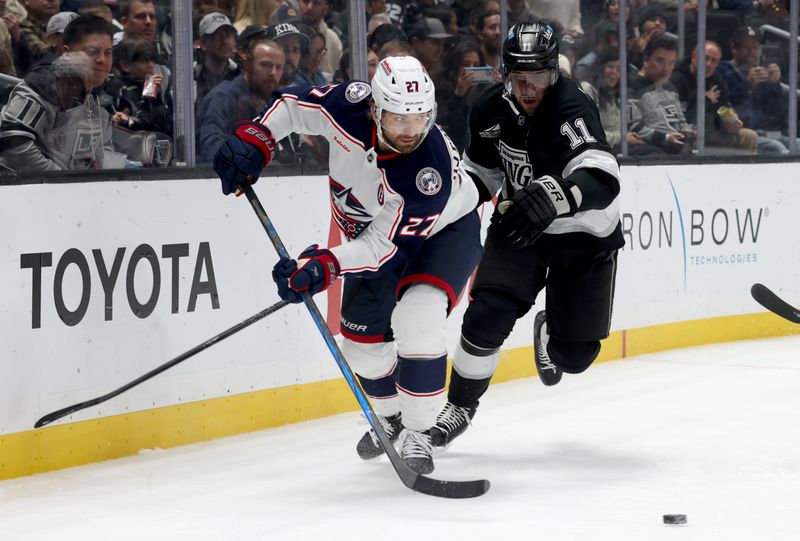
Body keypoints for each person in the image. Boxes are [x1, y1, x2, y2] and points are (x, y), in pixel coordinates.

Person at [212, 56, 483, 474]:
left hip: (442, 234)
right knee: (360, 347)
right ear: (374, 108)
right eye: (397, 120)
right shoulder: (349, 106)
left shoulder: (429, 172)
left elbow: (380, 249)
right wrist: (259, 138)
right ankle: (390, 418)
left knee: (418, 315)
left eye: (420, 119)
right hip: (377, 236)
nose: (410, 132)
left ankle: (418, 431)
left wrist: (324, 265)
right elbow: (292, 107)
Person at [430, 22, 623, 447]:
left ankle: (550, 330)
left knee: (573, 358)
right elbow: (481, 175)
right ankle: (458, 408)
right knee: (486, 314)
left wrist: (558, 195)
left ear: (554, 72)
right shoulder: (489, 110)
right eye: (520, 78)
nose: (530, 88)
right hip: (521, 228)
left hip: (584, 236)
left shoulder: (572, 106)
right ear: (505, 74)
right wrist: (444, 210)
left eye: (538, 77)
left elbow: (603, 178)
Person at [0, 14, 114, 171]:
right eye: (92, 51)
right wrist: (61, 180)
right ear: (66, 54)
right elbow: (13, 143)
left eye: (108, 52)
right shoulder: (42, 86)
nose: (102, 59)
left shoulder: (98, 97)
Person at [196, 37, 284, 161]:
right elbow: (211, 146)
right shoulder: (224, 98)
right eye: (265, 65)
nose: (273, 73)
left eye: (279, 67)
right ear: (247, 64)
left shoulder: (273, 101)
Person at [194, 11, 239, 106]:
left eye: (228, 34)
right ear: (203, 43)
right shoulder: (192, 75)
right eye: (217, 35)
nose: (225, 41)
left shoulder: (239, 75)